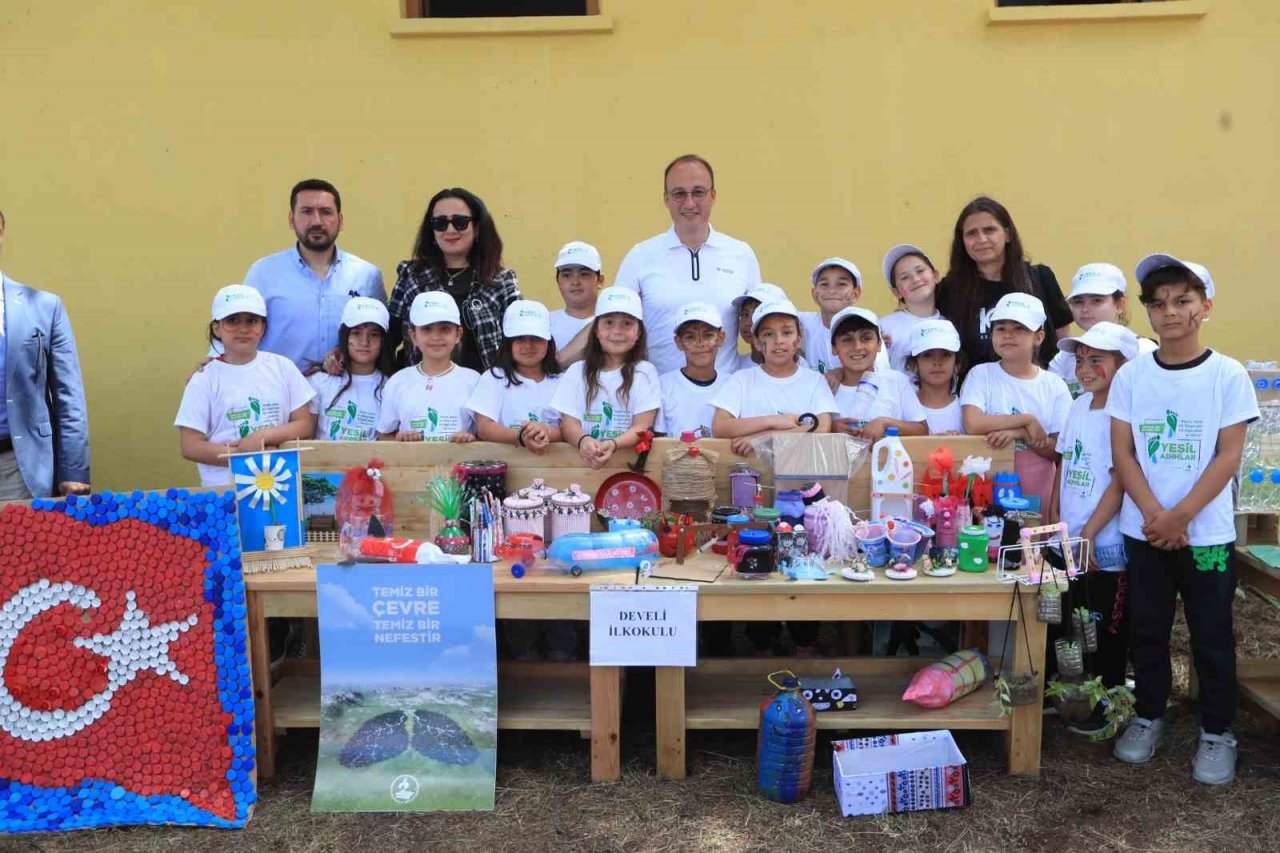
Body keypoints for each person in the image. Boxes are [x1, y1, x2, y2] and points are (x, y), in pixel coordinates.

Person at [1108, 253, 1257, 786]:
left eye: (1182, 301)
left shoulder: (1227, 374)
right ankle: (1148, 714)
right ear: (1148, 312)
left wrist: (1182, 517)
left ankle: (1218, 732)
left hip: (1206, 536)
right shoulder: (1131, 376)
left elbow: (1227, 455)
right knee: (1146, 629)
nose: (1169, 311)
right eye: (1158, 303)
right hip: (1144, 532)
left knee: (1211, 633)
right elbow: (1123, 453)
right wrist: (1155, 515)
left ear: (1205, 306)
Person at [1052, 322, 1140, 735]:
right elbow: (1063, 466)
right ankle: (1077, 698)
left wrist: (1088, 533)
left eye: (1097, 360)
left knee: (1106, 629)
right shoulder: (1077, 406)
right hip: (1069, 539)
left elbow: (1121, 479)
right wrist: (1055, 525)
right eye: (1080, 360)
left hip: (1103, 544)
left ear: (1124, 366)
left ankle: (1109, 705)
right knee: (1073, 622)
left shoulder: (1123, 416)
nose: (1085, 369)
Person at [616, 154, 762, 374]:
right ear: (666, 199)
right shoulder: (640, 256)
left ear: (713, 195)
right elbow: (614, 322)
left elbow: (761, 326)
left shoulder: (741, 254)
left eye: (698, 192)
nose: (689, 202)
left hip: (727, 398)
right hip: (659, 397)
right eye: (679, 194)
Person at [175, 285, 316, 485]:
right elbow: (190, 446)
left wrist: (263, 436)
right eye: (233, 321)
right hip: (225, 494)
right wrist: (245, 456)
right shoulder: (203, 379)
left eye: (252, 321)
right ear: (216, 328)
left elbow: (304, 425)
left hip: (282, 488)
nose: (243, 329)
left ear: (263, 327)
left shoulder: (283, 367)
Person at [241, 179, 385, 372]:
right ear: (291, 219)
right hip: (280, 395)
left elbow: (383, 336)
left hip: (345, 395)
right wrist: (215, 363)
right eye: (306, 211)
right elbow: (237, 328)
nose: (317, 221)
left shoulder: (367, 275)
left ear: (341, 220)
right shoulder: (263, 273)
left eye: (325, 212)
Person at [0, 210, 91, 500]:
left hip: (18, 466)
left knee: (21, 546)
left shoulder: (43, 307)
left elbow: (69, 396)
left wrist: (73, 471)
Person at [959, 293, 1071, 515]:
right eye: (1000, 328)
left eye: (1019, 328)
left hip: (1037, 489)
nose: (1008, 335)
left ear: (1038, 337)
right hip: (987, 486)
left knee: (1031, 546)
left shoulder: (1054, 385)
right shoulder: (981, 374)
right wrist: (1026, 420)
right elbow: (972, 423)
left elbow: (1059, 452)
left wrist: (1020, 434)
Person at [387, 188, 520, 373]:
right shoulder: (411, 275)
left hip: (484, 392)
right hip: (422, 391)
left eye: (460, 222)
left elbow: (519, 340)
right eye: (440, 223)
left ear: (478, 227)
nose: (450, 230)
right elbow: (388, 338)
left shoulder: (501, 281)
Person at [938, 196, 1071, 371]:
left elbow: (1063, 343)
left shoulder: (1040, 278)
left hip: (1040, 392)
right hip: (976, 395)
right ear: (962, 241)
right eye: (971, 233)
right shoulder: (948, 290)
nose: (981, 239)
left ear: (1008, 234)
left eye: (989, 230)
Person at [551, 287, 660, 469]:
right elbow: (569, 423)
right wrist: (583, 441)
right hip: (580, 468)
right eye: (608, 323)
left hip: (625, 467)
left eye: (627, 324)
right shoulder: (576, 371)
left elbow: (642, 426)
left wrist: (614, 444)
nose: (617, 331)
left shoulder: (646, 372)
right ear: (596, 330)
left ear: (638, 332)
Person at [712, 300, 837, 457]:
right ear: (757, 342)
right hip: (751, 475)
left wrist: (764, 438)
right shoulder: (741, 379)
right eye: (769, 334)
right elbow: (720, 427)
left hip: (800, 476)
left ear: (799, 339)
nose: (779, 341)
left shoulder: (815, 380)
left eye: (787, 332)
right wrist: (773, 421)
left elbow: (821, 428)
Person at [466, 300, 563, 454]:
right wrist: (520, 437)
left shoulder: (563, 382)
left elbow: (570, 428)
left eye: (536, 338)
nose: (528, 345)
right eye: (519, 338)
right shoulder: (494, 377)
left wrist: (546, 431)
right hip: (507, 467)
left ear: (548, 341)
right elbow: (484, 427)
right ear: (507, 342)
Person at [1049, 263, 1156, 397]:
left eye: (1097, 301)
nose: (1085, 309)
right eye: (1078, 302)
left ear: (1120, 305)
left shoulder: (1144, 351)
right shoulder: (1064, 357)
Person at [825, 307, 927, 440]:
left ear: (879, 344)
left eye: (866, 338)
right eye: (847, 340)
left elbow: (922, 429)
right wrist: (830, 428)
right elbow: (810, 430)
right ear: (834, 348)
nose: (857, 347)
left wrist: (885, 423)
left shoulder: (895, 381)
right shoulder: (826, 386)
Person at [309, 297, 395, 441]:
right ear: (345, 335)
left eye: (374, 335)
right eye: (356, 333)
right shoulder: (319, 381)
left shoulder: (392, 387)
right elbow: (305, 437)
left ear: (383, 340)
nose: (364, 342)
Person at [799, 258, 890, 376]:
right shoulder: (804, 322)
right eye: (824, 284)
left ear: (855, 294)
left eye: (841, 284)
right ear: (814, 293)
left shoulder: (867, 324)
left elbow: (877, 373)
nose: (831, 291)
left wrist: (841, 374)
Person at [656, 301, 730, 438]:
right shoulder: (663, 385)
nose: (700, 344)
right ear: (679, 342)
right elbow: (658, 439)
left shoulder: (733, 384)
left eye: (708, 335)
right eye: (690, 337)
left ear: (720, 338)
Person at [880, 244, 944, 371]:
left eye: (920, 271)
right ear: (896, 292)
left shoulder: (950, 323)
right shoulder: (884, 327)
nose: (915, 279)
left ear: (935, 276)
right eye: (904, 277)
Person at [906, 319, 966, 435]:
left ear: (957, 365)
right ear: (913, 365)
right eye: (927, 355)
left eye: (946, 354)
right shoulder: (903, 407)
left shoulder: (967, 409)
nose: (937, 362)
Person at [549, 241, 604, 365]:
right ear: (558, 282)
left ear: (600, 281)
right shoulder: (544, 324)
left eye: (584, 274)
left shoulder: (615, 324)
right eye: (567, 275)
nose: (575, 282)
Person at [731, 282, 790, 371]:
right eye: (745, 314)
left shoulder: (796, 368)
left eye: (757, 313)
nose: (748, 322)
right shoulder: (735, 367)